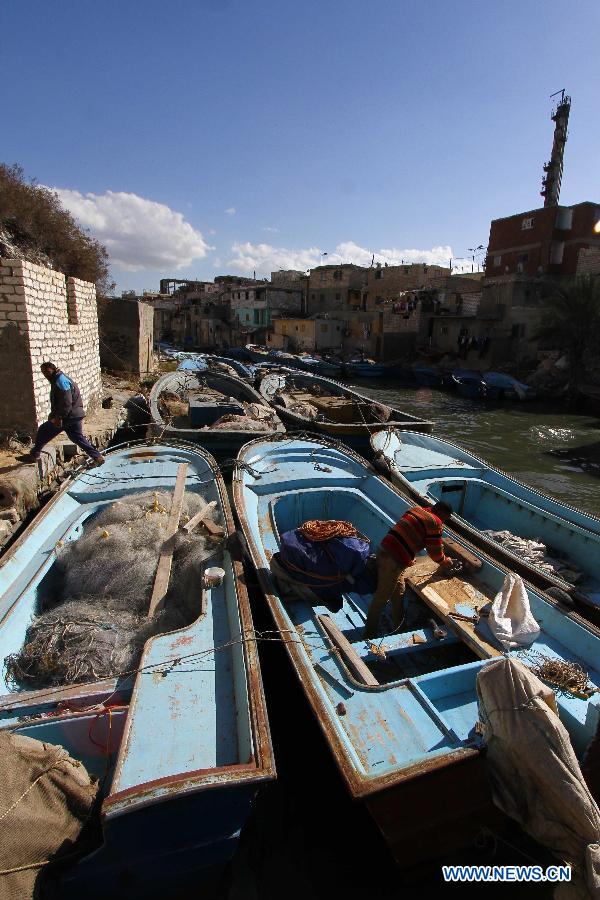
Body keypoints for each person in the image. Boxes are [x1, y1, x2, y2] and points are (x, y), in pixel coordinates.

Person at [364, 502, 454, 639]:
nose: (444, 522)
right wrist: (444, 561)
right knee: (382, 597)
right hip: (393, 560)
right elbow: (434, 552)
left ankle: (399, 627)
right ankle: (369, 634)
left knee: (399, 591)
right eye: (445, 519)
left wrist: (408, 558)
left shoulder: (416, 510)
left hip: (385, 550)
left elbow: (407, 535)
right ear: (442, 514)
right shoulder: (435, 522)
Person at [22, 363, 105, 466]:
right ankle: (98, 457)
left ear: (54, 369)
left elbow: (66, 402)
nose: (45, 374)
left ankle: (34, 455)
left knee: (43, 430)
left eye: (47, 372)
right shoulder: (59, 379)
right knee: (77, 437)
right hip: (75, 414)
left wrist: (59, 417)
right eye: (43, 372)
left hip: (69, 415)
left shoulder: (61, 381)